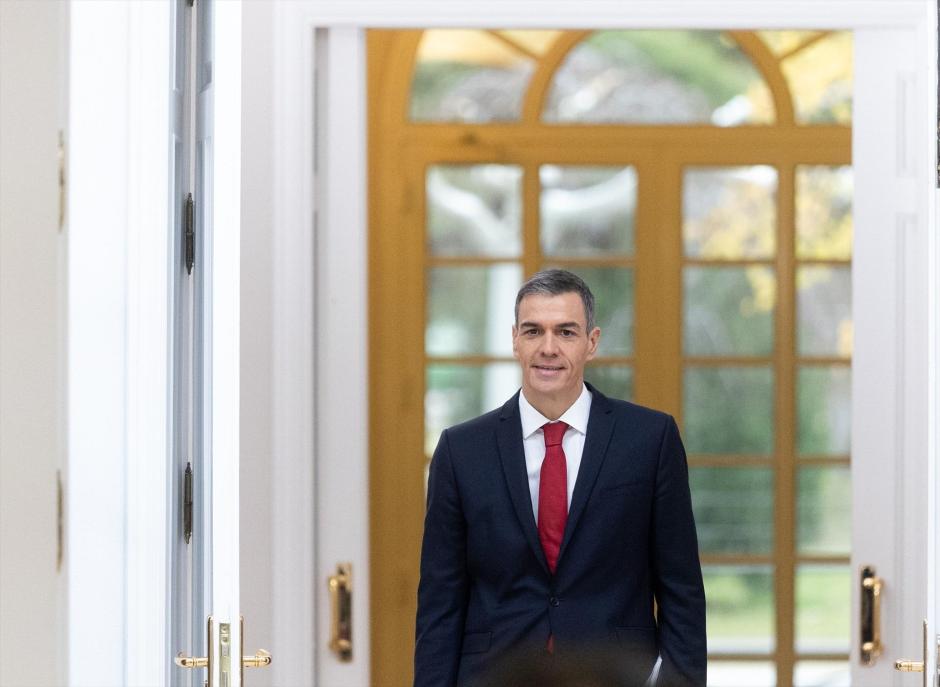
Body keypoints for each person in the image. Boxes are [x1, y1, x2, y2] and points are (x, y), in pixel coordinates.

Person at [415, 269, 706, 687]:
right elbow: (440, 603)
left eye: (566, 332)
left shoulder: (650, 439)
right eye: (534, 331)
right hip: (493, 675)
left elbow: (682, 590)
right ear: (515, 340)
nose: (548, 348)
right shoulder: (461, 451)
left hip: (615, 674)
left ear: (592, 342)